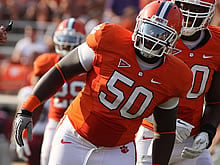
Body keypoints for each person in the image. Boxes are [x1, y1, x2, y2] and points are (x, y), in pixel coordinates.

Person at [13, 1, 193, 165]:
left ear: (174, 39)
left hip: (118, 150)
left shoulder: (175, 75)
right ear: (138, 24)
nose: (152, 38)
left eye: (161, 34)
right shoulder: (109, 40)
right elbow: (61, 71)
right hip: (74, 136)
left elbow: (165, 131)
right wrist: (27, 108)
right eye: (150, 29)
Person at [135, 0, 220, 164]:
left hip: (191, 138)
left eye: (196, 8)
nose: (189, 13)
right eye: (183, 6)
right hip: (152, 133)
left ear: (210, 11)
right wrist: (164, 122)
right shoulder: (157, 32)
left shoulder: (217, 44)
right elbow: (139, 85)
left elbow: (215, 100)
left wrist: (207, 131)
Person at [15, 18, 87, 165]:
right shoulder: (46, 62)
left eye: (71, 40)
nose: (66, 45)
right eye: (63, 39)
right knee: (47, 160)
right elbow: (37, 100)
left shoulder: (90, 65)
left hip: (82, 124)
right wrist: (21, 133)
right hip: (55, 120)